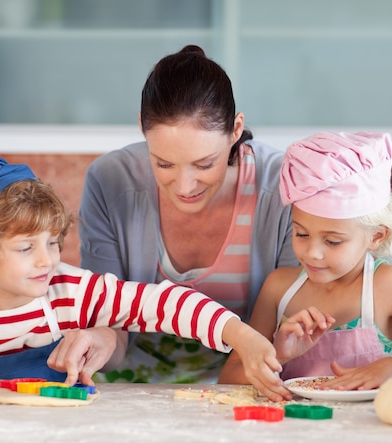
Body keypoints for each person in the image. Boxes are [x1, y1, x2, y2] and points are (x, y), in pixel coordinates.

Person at [0, 155, 289, 401]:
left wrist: (242, 336)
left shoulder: (71, 293)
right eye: (26, 249)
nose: (47, 260)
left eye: (53, 242)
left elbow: (164, 303)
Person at [79, 45, 298, 384]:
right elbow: (107, 312)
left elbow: (286, 325)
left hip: (243, 382)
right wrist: (100, 338)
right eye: (163, 163)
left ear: (236, 129)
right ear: (142, 128)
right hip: (130, 389)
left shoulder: (281, 187)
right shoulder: (109, 182)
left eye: (204, 164)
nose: (184, 185)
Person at [218, 131, 392, 390]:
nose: (313, 253)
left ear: (376, 236)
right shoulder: (279, 289)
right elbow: (228, 379)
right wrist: (279, 355)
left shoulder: (389, 286)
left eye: (332, 241)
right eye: (301, 233)